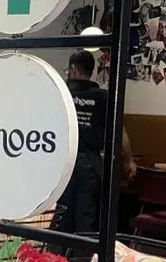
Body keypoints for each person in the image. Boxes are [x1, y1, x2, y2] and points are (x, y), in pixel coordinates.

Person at [55, 49, 136, 235]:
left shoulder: (62, 93)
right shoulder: (103, 98)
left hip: (63, 163)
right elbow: (119, 132)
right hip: (91, 164)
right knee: (86, 218)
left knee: (61, 217)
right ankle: (83, 253)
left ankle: (58, 253)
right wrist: (129, 161)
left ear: (73, 69)